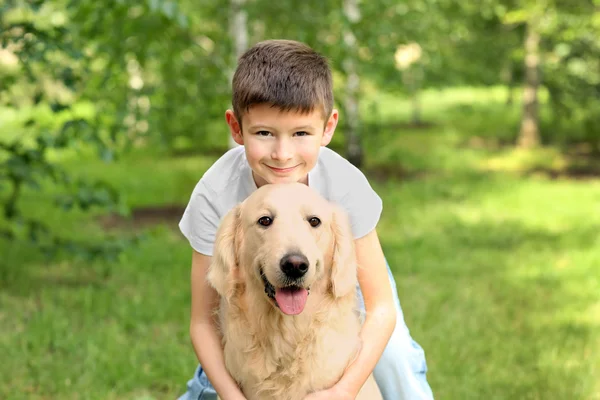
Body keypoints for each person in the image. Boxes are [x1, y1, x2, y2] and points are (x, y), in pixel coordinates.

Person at [177, 39, 434, 400]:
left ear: (328, 128)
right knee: (220, 367)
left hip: (343, 266)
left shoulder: (344, 184)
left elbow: (380, 309)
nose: (282, 155)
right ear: (236, 128)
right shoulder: (214, 193)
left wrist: (344, 390)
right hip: (251, 283)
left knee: (396, 360)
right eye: (264, 133)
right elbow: (203, 320)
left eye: (300, 133)